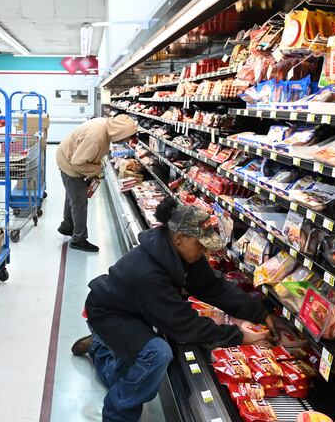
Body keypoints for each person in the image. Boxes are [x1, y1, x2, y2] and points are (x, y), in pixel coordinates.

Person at [71, 197, 277, 422]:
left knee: (124, 376)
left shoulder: (181, 253)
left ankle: (100, 346)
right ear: (179, 238)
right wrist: (239, 336)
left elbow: (213, 287)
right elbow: (183, 326)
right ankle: (116, 413)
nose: (205, 252)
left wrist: (261, 313)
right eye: (201, 245)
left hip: (131, 308)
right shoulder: (149, 273)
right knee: (157, 354)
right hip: (108, 313)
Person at [56, 114, 138, 252]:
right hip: (70, 163)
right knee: (79, 202)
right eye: (127, 136)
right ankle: (79, 239)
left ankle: (67, 225)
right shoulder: (96, 137)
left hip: (67, 155)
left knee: (72, 195)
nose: (127, 140)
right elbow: (78, 162)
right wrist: (96, 169)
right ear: (121, 132)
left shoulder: (105, 126)